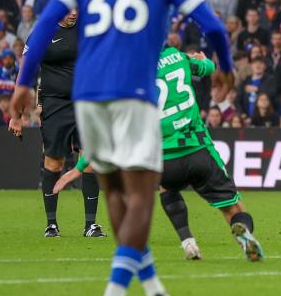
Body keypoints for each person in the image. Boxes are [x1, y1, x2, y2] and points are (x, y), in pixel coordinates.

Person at [9, 0, 233, 296]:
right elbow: (214, 27)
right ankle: (114, 295)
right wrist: (226, 67)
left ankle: (152, 289)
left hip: (87, 94)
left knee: (114, 192)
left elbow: (41, 30)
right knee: (144, 193)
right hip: (132, 92)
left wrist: (22, 85)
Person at [56, 48, 263, 263]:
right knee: (232, 207)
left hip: (164, 159)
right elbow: (209, 68)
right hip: (198, 149)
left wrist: (78, 168)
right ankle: (245, 236)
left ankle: (187, 241)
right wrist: (201, 60)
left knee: (167, 188)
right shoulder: (178, 57)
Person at [29, 8, 104, 238]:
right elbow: (29, 70)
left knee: (89, 161)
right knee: (54, 163)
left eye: (76, 10)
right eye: (68, 11)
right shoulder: (42, 32)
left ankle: (90, 224)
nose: (72, 14)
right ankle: (51, 224)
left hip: (85, 103)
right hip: (55, 105)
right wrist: (34, 104)